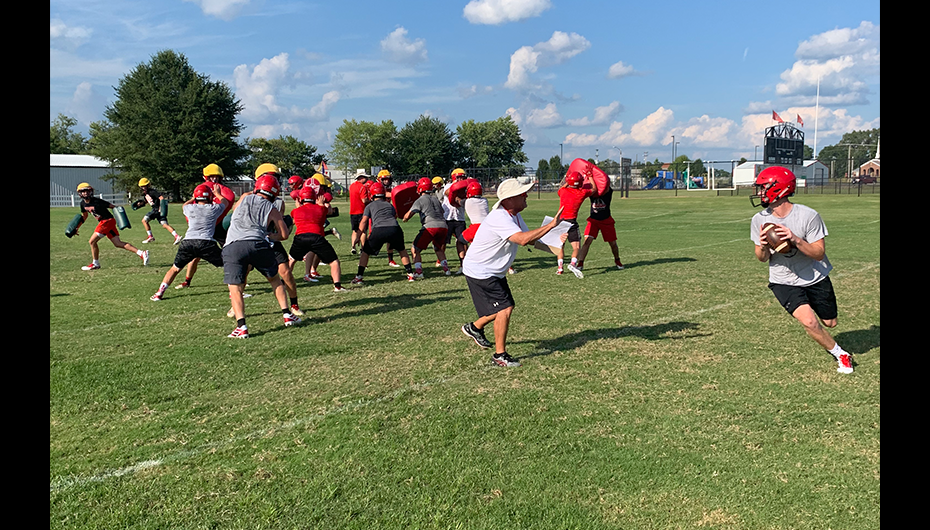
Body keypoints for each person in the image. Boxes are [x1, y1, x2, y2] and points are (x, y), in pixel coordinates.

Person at [750, 166, 853, 374]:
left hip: (814, 276)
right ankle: (841, 354)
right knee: (809, 321)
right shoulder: (759, 219)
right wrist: (763, 246)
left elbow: (818, 253)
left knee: (830, 322)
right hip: (783, 280)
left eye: (763, 188)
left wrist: (795, 240)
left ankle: (827, 332)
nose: (760, 193)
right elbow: (761, 259)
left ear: (778, 189)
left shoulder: (808, 216)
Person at [460, 178, 564, 367]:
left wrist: (558, 248)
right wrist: (551, 225)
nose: (526, 196)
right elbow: (522, 240)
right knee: (504, 308)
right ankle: (500, 356)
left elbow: (531, 240)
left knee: (503, 306)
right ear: (508, 199)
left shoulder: (513, 215)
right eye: (522, 194)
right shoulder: (500, 217)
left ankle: (474, 327)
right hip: (481, 270)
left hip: (492, 271)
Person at [222, 170, 301, 338]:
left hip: (233, 244)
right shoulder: (271, 207)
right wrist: (272, 236)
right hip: (258, 243)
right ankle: (287, 314)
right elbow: (285, 234)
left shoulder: (244, 197)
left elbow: (231, 216)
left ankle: (241, 326)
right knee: (274, 279)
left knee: (235, 288)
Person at [150, 183, 228, 301]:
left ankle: (159, 293)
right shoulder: (213, 209)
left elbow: (184, 205)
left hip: (188, 242)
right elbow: (225, 202)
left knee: (175, 268)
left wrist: (193, 198)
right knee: (229, 264)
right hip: (206, 243)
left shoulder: (189, 208)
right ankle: (237, 291)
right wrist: (218, 193)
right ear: (210, 197)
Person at [174, 163, 236, 290]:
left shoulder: (203, 190)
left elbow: (190, 207)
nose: (214, 179)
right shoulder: (215, 191)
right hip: (213, 227)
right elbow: (225, 203)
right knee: (228, 253)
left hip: (207, 227)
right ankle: (187, 280)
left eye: (215, 177)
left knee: (198, 256)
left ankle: (236, 279)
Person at [351, 181, 416, 284]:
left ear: (372, 194)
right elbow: (394, 216)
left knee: (365, 252)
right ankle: (410, 274)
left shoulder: (370, 206)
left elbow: (364, 221)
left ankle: (359, 277)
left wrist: (358, 236)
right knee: (402, 250)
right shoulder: (389, 205)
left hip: (379, 229)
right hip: (394, 228)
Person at [74, 182, 150, 270]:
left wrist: (121, 218)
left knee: (92, 241)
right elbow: (84, 216)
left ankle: (95, 264)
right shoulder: (82, 204)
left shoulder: (97, 201)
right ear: (80, 193)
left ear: (91, 191)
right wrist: (77, 227)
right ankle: (141, 253)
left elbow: (113, 207)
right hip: (106, 222)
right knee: (117, 243)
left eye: (87, 191)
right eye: (83, 191)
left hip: (107, 221)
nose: (86, 193)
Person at [289, 186, 347, 292]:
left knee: (291, 260)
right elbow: (328, 211)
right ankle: (337, 286)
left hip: (300, 237)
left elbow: (297, 215)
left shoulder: (295, 211)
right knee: (334, 262)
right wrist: (321, 203)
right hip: (317, 237)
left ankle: (284, 282)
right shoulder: (321, 209)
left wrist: (298, 207)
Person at [403, 177, 451, 277]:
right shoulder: (436, 199)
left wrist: (404, 218)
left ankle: (419, 271)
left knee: (415, 249)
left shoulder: (420, 200)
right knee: (438, 248)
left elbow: (408, 215)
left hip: (430, 226)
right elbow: (442, 212)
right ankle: (446, 269)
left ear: (420, 188)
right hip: (443, 226)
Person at [555, 170, 594, 278]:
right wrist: (590, 177)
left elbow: (562, 187)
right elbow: (594, 189)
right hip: (571, 221)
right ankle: (573, 264)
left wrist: (568, 180)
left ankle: (560, 268)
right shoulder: (582, 193)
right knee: (576, 247)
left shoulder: (563, 191)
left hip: (560, 221)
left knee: (560, 246)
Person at [575, 184, 624, 271]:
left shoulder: (608, 193)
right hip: (593, 220)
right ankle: (580, 263)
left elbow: (607, 186)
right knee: (587, 241)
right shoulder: (592, 193)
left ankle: (617, 260)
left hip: (606, 220)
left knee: (613, 244)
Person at [133, 178, 183, 245]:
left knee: (144, 220)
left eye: (144, 186)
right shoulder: (146, 194)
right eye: (142, 186)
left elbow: (161, 198)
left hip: (156, 209)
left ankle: (150, 236)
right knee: (165, 225)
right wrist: (140, 204)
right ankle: (177, 236)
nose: (143, 188)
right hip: (156, 210)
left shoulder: (152, 191)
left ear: (148, 185)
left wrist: (161, 208)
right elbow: (147, 201)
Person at [441, 168, 469, 274]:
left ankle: (463, 263)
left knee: (462, 240)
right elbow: (448, 193)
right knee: (444, 241)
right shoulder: (449, 185)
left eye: (463, 177)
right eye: (459, 177)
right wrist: (457, 186)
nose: (461, 179)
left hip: (459, 217)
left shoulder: (466, 187)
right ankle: (441, 260)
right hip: (447, 217)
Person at [348, 170, 371, 255]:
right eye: (365, 177)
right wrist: (371, 202)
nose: (367, 179)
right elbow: (364, 200)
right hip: (361, 211)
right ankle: (363, 248)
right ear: (361, 178)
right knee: (363, 231)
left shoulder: (351, 186)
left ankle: (353, 247)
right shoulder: (362, 187)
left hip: (352, 211)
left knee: (355, 230)